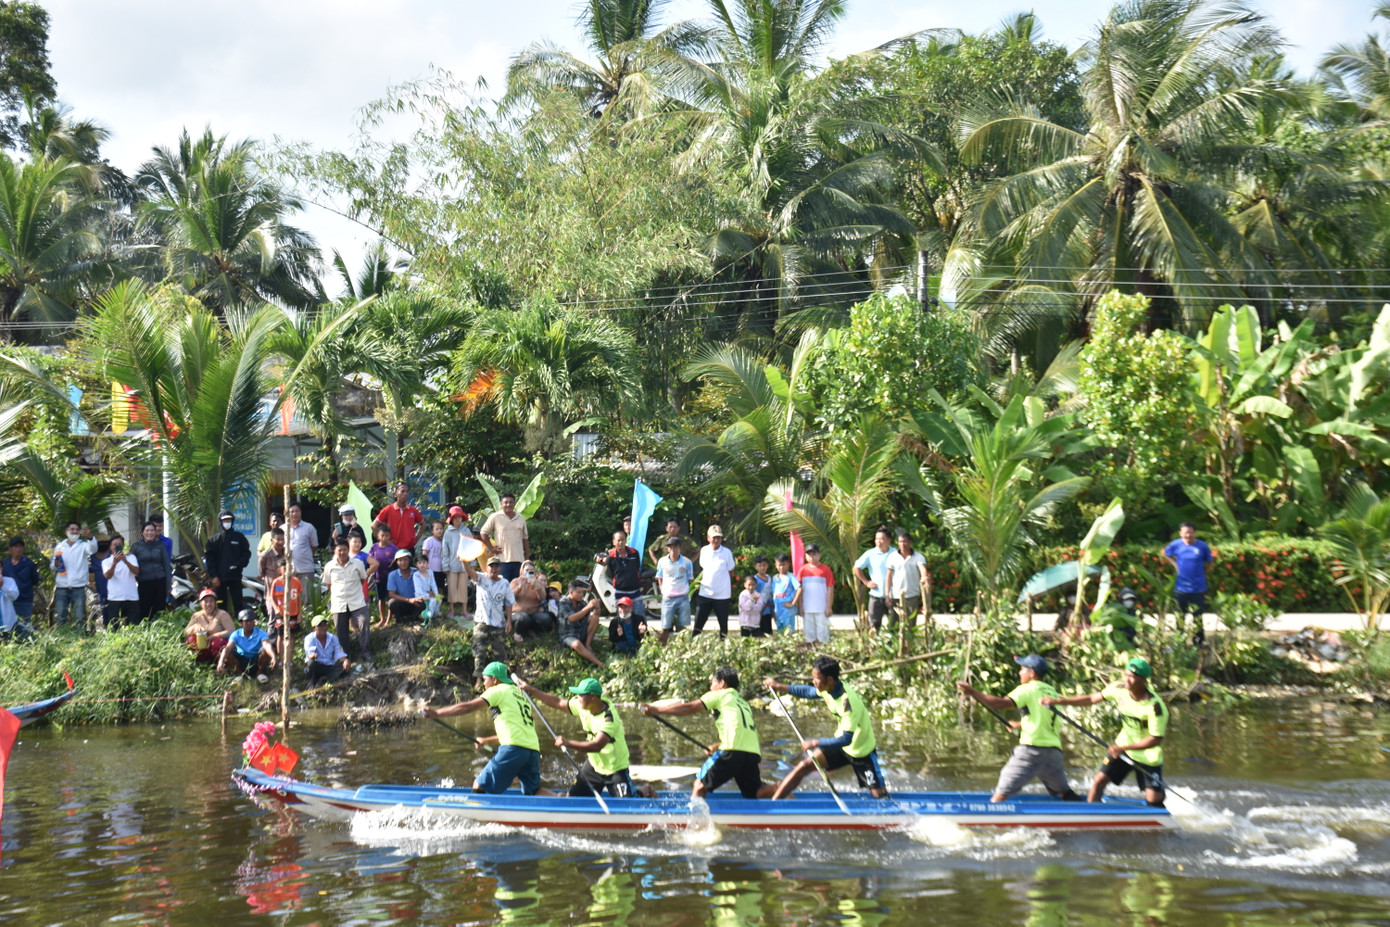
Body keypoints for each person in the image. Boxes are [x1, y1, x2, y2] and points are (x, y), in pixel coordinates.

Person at [1041, 656, 1169, 807]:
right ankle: (1090, 816)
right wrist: (1059, 701)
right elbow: (1091, 699)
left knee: (1154, 801)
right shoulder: (1119, 690)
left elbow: (1156, 739)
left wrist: (1123, 749)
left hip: (1148, 757)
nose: (1127, 680)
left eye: (1133, 677)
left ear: (1144, 680)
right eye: (1126, 675)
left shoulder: (1155, 707)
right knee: (1099, 781)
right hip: (1122, 748)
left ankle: (1158, 809)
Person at [956, 655, 1082, 803]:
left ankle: (987, 818)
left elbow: (1000, 704)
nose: (1019, 673)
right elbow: (1043, 718)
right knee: (1064, 793)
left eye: (1022, 669)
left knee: (1001, 793)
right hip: (1053, 753)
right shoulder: (1051, 692)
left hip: (1031, 751)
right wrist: (1019, 724)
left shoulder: (1027, 689)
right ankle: (1089, 814)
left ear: (1032, 673)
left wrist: (972, 692)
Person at [764, 657, 889, 799]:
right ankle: (774, 804)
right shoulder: (827, 688)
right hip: (840, 746)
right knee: (804, 766)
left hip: (862, 751)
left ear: (830, 680)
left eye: (817, 679)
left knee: (880, 797)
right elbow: (808, 692)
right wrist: (779, 686)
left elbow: (846, 739)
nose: (814, 682)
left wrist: (815, 742)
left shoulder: (847, 703)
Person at [642, 667, 773, 799]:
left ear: (722, 683)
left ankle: (693, 819)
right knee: (756, 792)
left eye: (713, 683)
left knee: (699, 786)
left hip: (733, 750)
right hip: (752, 753)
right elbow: (741, 732)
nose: (711, 687)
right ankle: (781, 789)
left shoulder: (720, 694)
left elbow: (690, 707)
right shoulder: (743, 703)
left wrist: (657, 710)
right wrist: (717, 746)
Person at [425, 661, 554, 795]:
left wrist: (437, 713)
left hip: (513, 748)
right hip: (532, 750)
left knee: (480, 785)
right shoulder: (519, 694)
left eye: (485, 679)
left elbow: (467, 706)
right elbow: (517, 731)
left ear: (494, 679)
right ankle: (563, 799)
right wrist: (487, 740)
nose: (483, 684)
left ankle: (478, 815)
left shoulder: (498, 690)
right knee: (533, 792)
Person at [516, 675, 634, 798]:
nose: (578, 698)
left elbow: (597, 745)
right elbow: (557, 702)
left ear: (592, 697)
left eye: (581, 695)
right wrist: (530, 690)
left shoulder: (609, 719)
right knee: (572, 799)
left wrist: (568, 743)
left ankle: (645, 791)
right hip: (594, 766)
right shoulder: (583, 706)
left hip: (615, 769)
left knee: (629, 803)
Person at [1163, 522, 1213, 647]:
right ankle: (1180, 642)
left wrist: (1203, 573)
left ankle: (1199, 642)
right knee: (1180, 616)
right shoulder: (1176, 545)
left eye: (1190, 532)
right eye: (1185, 532)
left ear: (1194, 532)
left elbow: (1210, 562)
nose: (1188, 535)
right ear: (1180, 533)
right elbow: (1165, 553)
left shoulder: (1202, 546)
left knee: (1198, 617)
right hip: (1181, 588)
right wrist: (1174, 564)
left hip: (1198, 588)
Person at [323, 538, 371, 662]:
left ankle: (366, 651)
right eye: (340, 550)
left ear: (348, 550)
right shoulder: (329, 566)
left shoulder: (358, 564)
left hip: (357, 601)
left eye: (345, 550)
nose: (342, 552)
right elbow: (329, 584)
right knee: (341, 631)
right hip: (339, 603)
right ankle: (345, 657)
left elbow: (362, 579)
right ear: (334, 551)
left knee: (364, 622)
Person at [473, 559, 515, 686]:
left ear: (500, 568)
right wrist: (464, 561)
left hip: (498, 622)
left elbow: (508, 603)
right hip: (481, 621)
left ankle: (500, 679)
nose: (494, 569)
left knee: (499, 652)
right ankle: (479, 679)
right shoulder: (481, 579)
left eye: (496, 566)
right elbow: (469, 572)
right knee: (479, 651)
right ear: (487, 567)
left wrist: (509, 620)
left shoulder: (504, 583)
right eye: (491, 566)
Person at [884, 530, 930, 643]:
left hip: (912, 595)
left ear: (910, 542)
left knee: (910, 624)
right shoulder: (892, 557)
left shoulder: (918, 557)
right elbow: (888, 577)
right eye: (900, 542)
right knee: (893, 624)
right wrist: (887, 595)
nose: (902, 544)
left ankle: (909, 647)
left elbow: (922, 569)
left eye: (905, 542)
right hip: (896, 595)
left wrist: (924, 577)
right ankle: (892, 648)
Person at [204, 508, 251, 618]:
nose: (227, 522)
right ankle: (222, 625)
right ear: (220, 522)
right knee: (221, 604)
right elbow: (210, 559)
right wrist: (214, 576)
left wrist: (240, 563)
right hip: (220, 578)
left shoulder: (239, 537)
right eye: (225, 520)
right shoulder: (214, 540)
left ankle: (239, 625)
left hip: (235, 576)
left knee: (238, 603)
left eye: (229, 520)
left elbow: (246, 553)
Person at [51, 522, 96, 628]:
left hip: (78, 587)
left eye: (77, 529)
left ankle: (78, 638)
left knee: (79, 617)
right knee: (61, 616)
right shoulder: (59, 546)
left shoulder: (84, 545)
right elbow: (53, 566)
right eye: (72, 529)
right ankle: (62, 638)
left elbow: (93, 549)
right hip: (62, 586)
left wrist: (90, 537)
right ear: (66, 531)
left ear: (80, 532)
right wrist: (55, 564)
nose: (74, 532)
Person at [693, 525, 736, 638]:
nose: (716, 540)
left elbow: (731, 570)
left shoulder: (726, 552)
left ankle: (723, 648)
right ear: (708, 538)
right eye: (714, 537)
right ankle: (693, 646)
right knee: (698, 625)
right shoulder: (704, 550)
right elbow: (704, 567)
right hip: (705, 593)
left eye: (719, 538)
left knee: (723, 626)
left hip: (722, 595)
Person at [481, 492, 530, 581]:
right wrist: (491, 548)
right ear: (501, 504)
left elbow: (525, 539)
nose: (508, 504)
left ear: (514, 504)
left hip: (519, 561)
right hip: (502, 561)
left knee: (517, 589)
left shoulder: (521, 518)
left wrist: (527, 558)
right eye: (506, 502)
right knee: (503, 588)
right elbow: (483, 533)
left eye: (511, 502)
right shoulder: (495, 517)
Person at [556, 579, 604, 669]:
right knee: (577, 644)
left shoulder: (582, 603)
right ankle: (600, 664)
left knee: (595, 618)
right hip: (567, 635)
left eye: (582, 592)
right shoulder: (563, 602)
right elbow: (572, 618)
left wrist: (597, 607)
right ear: (571, 592)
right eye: (578, 592)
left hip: (580, 631)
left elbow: (594, 615)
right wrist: (588, 607)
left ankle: (587, 645)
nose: (581, 595)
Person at [218, 609, 278, 682]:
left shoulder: (261, 633)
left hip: (256, 660)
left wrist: (273, 657)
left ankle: (259, 672)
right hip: (241, 661)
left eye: (251, 620)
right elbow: (227, 648)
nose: (249, 623)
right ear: (241, 623)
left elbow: (266, 644)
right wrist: (220, 662)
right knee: (225, 651)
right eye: (246, 621)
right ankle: (240, 674)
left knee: (267, 650)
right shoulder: (236, 634)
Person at [853, 527, 894, 633]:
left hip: (894, 595)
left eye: (881, 539)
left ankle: (893, 647)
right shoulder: (870, 554)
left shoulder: (895, 553)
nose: (878, 542)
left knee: (895, 625)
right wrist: (866, 582)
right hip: (876, 595)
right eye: (876, 539)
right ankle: (875, 647)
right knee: (874, 625)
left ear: (889, 540)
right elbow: (856, 567)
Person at [131, 521, 172, 622]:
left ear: (155, 532)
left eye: (152, 530)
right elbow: (131, 564)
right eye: (147, 530)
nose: (150, 533)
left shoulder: (160, 546)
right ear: (142, 532)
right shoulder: (136, 547)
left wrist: (168, 586)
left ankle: (160, 628)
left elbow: (166, 566)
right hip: (144, 583)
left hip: (160, 582)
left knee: (160, 609)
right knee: (145, 610)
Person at [655, 536, 693, 644]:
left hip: (683, 597)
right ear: (668, 549)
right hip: (668, 597)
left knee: (683, 627)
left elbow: (690, 578)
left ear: (680, 548)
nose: (673, 550)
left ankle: (682, 650)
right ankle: (662, 649)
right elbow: (659, 575)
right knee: (665, 627)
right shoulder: (662, 561)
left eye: (675, 547)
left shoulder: (687, 562)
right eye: (671, 547)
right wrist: (661, 587)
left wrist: (684, 588)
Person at [599, 530, 645, 620]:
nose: (621, 542)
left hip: (635, 592)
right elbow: (611, 572)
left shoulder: (634, 553)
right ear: (614, 542)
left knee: (641, 619)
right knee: (621, 621)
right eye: (618, 540)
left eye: (623, 540)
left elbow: (637, 568)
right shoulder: (611, 557)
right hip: (620, 592)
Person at [441, 506, 476, 622]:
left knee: (463, 587)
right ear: (451, 519)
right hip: (452, 564)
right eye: (455, 518)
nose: (457, 520)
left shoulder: (466, 530)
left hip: (465, 564)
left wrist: (472, 563)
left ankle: (464, 611)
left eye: (459, 517)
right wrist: (445, 565)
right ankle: (451, 610)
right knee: (451, 588)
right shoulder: (448, 532)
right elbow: (445, 550)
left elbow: (471, 546)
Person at [797, 544, 835, 645]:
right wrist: (800, 606)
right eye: (809, 554)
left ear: (819, 555)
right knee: (809, 635)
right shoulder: (802, 570)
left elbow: (830, 588)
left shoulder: (826, 569)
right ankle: (811, 654)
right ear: (805, 556)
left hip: (821, 608)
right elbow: (799, 590)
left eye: (814, 554)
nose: (812, 557)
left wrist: (829, 607)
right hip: (807, 608)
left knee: (823, 634)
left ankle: (824, 654)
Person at [183, 589, 234, 663]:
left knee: (217, 642)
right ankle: (201, 662)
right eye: (205, 601)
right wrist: (194, 628)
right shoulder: (197, 615)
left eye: (211, 601)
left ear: (215, 603)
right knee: (191, 640)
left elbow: (231, 631)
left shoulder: (222, 614)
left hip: (218, 646)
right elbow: (185, 632)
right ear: (201, 603)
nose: (208, 604)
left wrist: (215, 635)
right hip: (203, 647)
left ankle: (222, 663)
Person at [282, 503, 319, 606]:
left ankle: (306, 621)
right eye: (291, 511)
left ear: (301, 512)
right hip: (288, 570)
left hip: (305, 569)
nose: (294, 514)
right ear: (287, 514)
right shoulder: (283, 529)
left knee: (306, 599)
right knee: (290, 598)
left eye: (296, 511)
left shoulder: (309, 528)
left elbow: (314, 546)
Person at [373, 481, 424, 554]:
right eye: (402, 491)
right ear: (395, 493)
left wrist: (416, 539)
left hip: (408, 549)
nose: (405, 494)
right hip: (392, 549)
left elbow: (423, 524)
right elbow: (374, 525)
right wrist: (382, 540)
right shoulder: (388, 510)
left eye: (407, 491)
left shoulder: (413, 510)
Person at [101, 533, 140, 629]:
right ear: (110, 547)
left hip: (131, 597)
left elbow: (137, 572)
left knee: (133, 626)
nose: (117, 547)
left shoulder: (131, 558)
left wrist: (126, 561)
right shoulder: (106, 562)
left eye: (119, 545)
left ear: (123, 546)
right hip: (115, 598)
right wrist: (114, 563)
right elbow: (107, 576)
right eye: (114, 545)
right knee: (114, 626)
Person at [510, 560, 552, 640]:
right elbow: (510, 597)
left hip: (533, 613)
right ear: (522, 571)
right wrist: (520, 587)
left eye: (531, 571)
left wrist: (537, 587)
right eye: (527, 570)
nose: (529, 572)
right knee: (523, 618)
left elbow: (542, 597)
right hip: (518, 613)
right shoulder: (515, 581)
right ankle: (518, 633)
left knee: (546, 618)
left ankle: (533, 630)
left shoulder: (537, 582)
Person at [367, 524, 399, 627]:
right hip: (378, 576)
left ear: (389, 536)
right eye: (382, 535)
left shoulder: (393, 548)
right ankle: (382, 618)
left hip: (390, 577)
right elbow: (369, 558)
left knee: (390, 598)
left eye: (387, 535)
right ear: (378, 536)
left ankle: (388, 620)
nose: (384, 538)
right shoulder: (374, 547)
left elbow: (399, 557)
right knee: (381, 599)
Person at [304, 615, 350, 683]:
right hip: (317, 666)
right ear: (314, 628)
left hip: (329, 666)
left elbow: (338, 653)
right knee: (311, 664)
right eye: (320, 626)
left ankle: (325, 678)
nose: (323, 628)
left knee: (344, 666)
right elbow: (309, 652)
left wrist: (345, 660)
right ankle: (313, 681)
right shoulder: (309, 638)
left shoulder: (333, 638)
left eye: (325, 625)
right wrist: (312, 655)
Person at [3, 537, 38, 624]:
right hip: (9, 601)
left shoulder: (29, 564)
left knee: (24, 626)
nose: (18, 549)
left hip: (24, 600)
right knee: (9, 626)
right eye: (15, 546)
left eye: (20, 546)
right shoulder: (5, 564)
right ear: (10, 549)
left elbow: (35, 580)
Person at [386, 549, 426, 624]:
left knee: (423, 601)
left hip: (415, 603)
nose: (403, 563)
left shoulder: (416, 572)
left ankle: (415, 618)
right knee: (392, 602)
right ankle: (399, 620)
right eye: (400, 560)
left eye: (405, 560)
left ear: (409, 560)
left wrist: (417, 598)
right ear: (397, 562)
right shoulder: (392, 575)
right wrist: (408, 600)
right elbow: (391, 594)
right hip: (401, 604)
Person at [770, 553, 801, 635]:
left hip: (788, 611)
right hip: (778, 611)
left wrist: (793, 603)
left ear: (788, 564)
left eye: (784, 565)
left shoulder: (790, 577)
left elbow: (799, 588)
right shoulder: (774, 578)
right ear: (776, 565)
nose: (781, 567)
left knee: (789, 633)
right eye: (779, 565)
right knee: (780, 633)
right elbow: (773, 593)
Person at [413, 552, 441, 625]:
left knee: (439, 599)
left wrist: (436, 593)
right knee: (433, 600)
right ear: (416, 565)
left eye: (424, 562)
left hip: (430, 593)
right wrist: (427, 595)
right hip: (420, 594)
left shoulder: (430, 572)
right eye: (419, 563)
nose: (422, 564)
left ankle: (435, 615)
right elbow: (418, 588)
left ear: (428, 564)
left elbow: (433, 584)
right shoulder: (416, 575)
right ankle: (428, 618)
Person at [751, 554, 774, 636]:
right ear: (755, 567)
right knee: (759, 632)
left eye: (764, 565)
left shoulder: (769, 578)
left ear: (767, 566)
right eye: (760, 566)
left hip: (768, 609)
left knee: (768, 631)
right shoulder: (754, 579)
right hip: (758, 610)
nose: (762, 568)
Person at [423, 520, 446, 595]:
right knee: (431, 589)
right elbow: (424, 555)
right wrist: (424, 568)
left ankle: (438, 604)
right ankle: (431, 605)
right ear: (432, 531)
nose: (439, 531)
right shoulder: (429, 541)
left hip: (440, 570)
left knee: (440, 588)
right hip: (430, 570)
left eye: (441, 528)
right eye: (437, 529)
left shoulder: (443, 542)